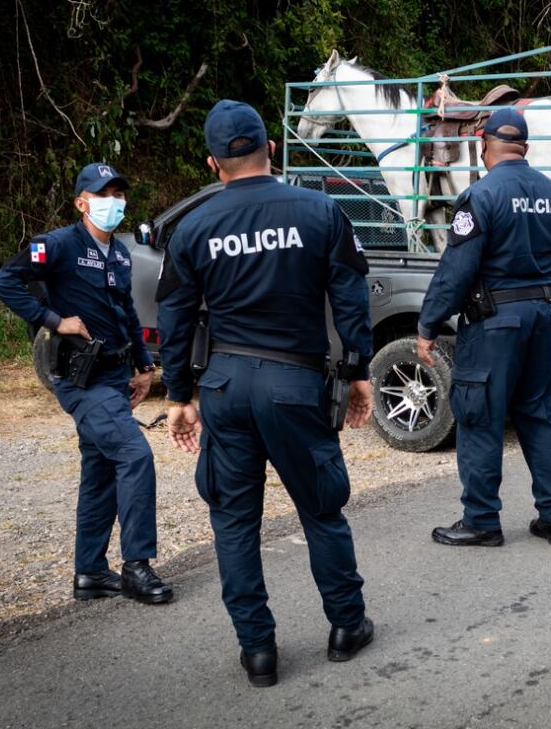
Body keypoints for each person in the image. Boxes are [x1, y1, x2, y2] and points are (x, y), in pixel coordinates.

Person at [156, 99, 375, 687]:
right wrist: (358, 371)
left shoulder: (193, 226)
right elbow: (352, 295)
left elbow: (175, 318)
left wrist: (180, 395)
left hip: (225, 386)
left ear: (212, 163)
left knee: (233, 522)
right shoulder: (321, 210)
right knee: (321, 511)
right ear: (270, 148)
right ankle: (346, 626)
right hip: (295, 385)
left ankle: (258, 653)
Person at [0, 163, 171, 605]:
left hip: (113, 373)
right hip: (79, 378)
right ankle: (136, 567)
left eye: (118, 193)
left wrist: (144, 366)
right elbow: (3, 282)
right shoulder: (56, 245)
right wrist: (54, 320)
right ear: (81, 202)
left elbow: (127, 313)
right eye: (103, 193)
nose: (114, 201)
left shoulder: (121, 253)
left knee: (101, 470)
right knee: (134, 453)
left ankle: (90, 573)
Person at [416, 107, 551, 548]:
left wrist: (428, 325)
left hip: (494, 324)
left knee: (479, 416)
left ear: (484, 144)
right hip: (543, 318)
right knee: (538, 416)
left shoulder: (480, 196)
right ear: (525, 147)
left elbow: (456, 269)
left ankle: (482, 520)